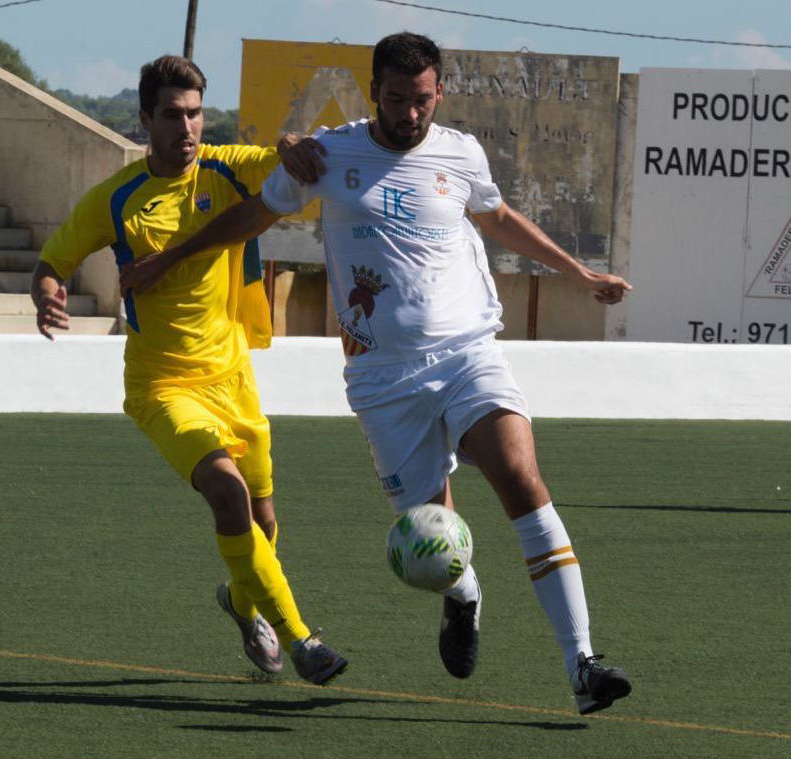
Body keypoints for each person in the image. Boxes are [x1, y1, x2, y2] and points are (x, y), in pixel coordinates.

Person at [118, 36, 633, 714]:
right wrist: (167, 259)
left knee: (521, 479)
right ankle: (464, 594)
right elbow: (255, 214)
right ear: (373, 92)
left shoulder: (462, 153)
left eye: (421, 100)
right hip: (383, 380)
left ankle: (582, 664)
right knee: (430, 534)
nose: (409, 114)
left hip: (467, 354)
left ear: (439, 93)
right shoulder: (329, 155)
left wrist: (581, 273)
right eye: (395, 100)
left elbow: (499, 218)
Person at [31, 54, 347, 686]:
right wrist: (46, 289)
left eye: (196, 114)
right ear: (146, 119)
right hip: (161, 388)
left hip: (234, 379)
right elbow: (54, 259)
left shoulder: (226, 170)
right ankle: (300, 637)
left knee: (263, 523)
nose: (188, 128)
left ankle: (239, 601)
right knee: (225, 490)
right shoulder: (116, 200)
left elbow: (288, 159)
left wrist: (288, 142)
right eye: (173, 115)